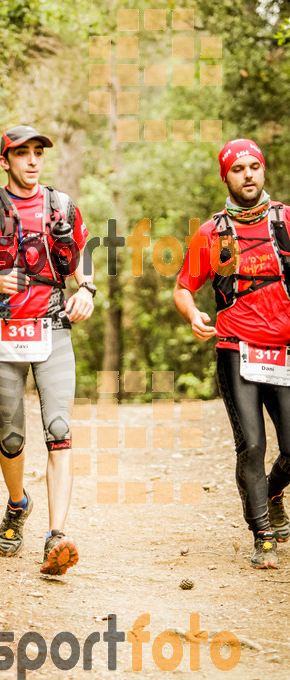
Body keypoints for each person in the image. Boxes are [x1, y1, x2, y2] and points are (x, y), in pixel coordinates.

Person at [0, 125, 96, 575]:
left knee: (59, 429)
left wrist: (87, 287)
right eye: (22, 153)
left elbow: (84, 254)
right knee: (12, 438)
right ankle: (17, 506)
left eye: (38, 153)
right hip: (4, 331)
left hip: (54, 328)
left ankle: (57, 536)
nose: (32, 161)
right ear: (4, 161)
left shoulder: (61, 206)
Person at [174, 138, 290, 569]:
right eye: (237, 168)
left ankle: (274, 491)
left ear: (263, 172)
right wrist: (193, 314)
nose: (247, 174)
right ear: (226, 177)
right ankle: (262, 535)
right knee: (253, 445)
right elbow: (183, 287)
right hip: (236, 348)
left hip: (284, 352)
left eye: (253, 167)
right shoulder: (213, 232)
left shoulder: (285, 221)